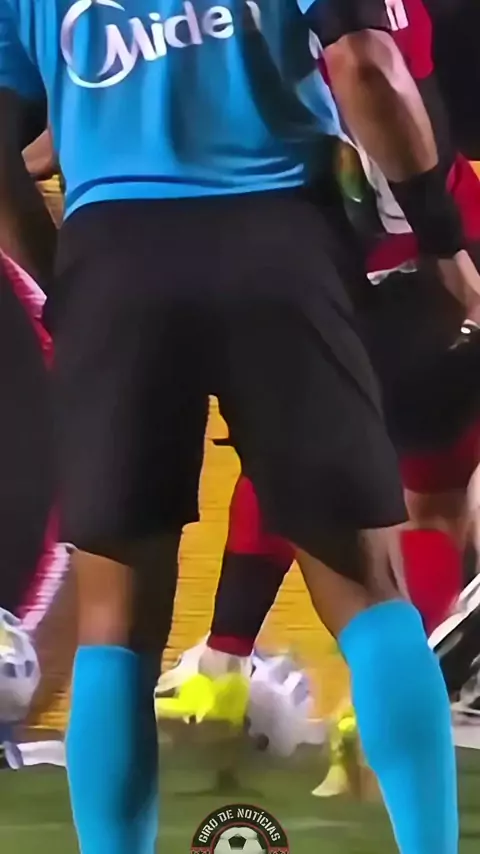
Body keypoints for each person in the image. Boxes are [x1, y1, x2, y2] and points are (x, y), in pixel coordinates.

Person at [0, 0, 475, 851]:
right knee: (368, 591)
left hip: (114, 255)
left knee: (116, 622)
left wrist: (65, 281)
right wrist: (441, 242)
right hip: (280, 243)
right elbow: (368, 66)